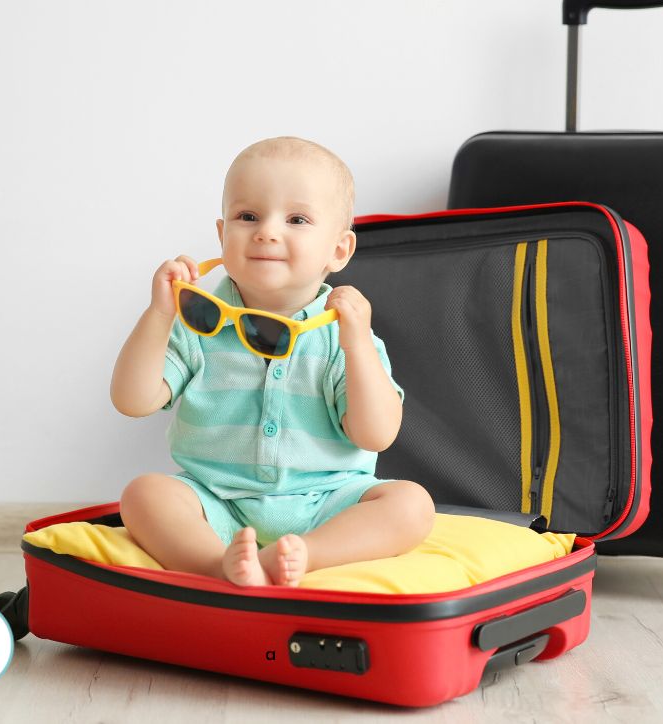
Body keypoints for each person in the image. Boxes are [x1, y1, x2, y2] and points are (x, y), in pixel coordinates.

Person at [110, 136, 435, 587]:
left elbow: (375, 435)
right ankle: (215, 565)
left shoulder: (344, 334)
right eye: (248, 216)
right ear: (222, 237)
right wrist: (159, 313)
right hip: (216, 502)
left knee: (412, 504)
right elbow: (132, 400)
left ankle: (305, 556)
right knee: (144, 494)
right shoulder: (196, 322)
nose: (267, 231)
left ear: (338, 250)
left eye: (297, 219)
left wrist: (357, 345)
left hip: (328, 505)